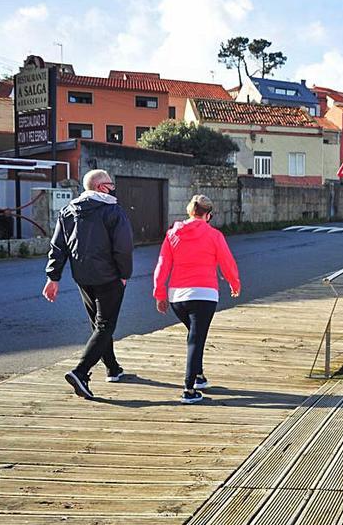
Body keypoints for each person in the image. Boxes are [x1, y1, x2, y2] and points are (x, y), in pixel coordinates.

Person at [44, 169, 134, 400]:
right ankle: (80, 372)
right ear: (101, 187)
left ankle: (112, 368)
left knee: (99, 324)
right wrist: (124, 273)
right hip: (109, 276)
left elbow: (58, 246)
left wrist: (53, 277)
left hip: (82, 276)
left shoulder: (69, 210)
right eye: (110, 184)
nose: (113, 187)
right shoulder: (112, 211)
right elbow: (123, 246)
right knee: (105, 325)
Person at [152, 195, 240, 404]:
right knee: (196, 339)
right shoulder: (214, 235)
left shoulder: (173, 234)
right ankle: (189, 390)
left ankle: (199, 377)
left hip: (177, 297)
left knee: (194, 335)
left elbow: (162, 265)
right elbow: (227, 261)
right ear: (208, 215)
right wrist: (234, 283)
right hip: (204, 294)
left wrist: (160, 294)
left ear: (190, 211)